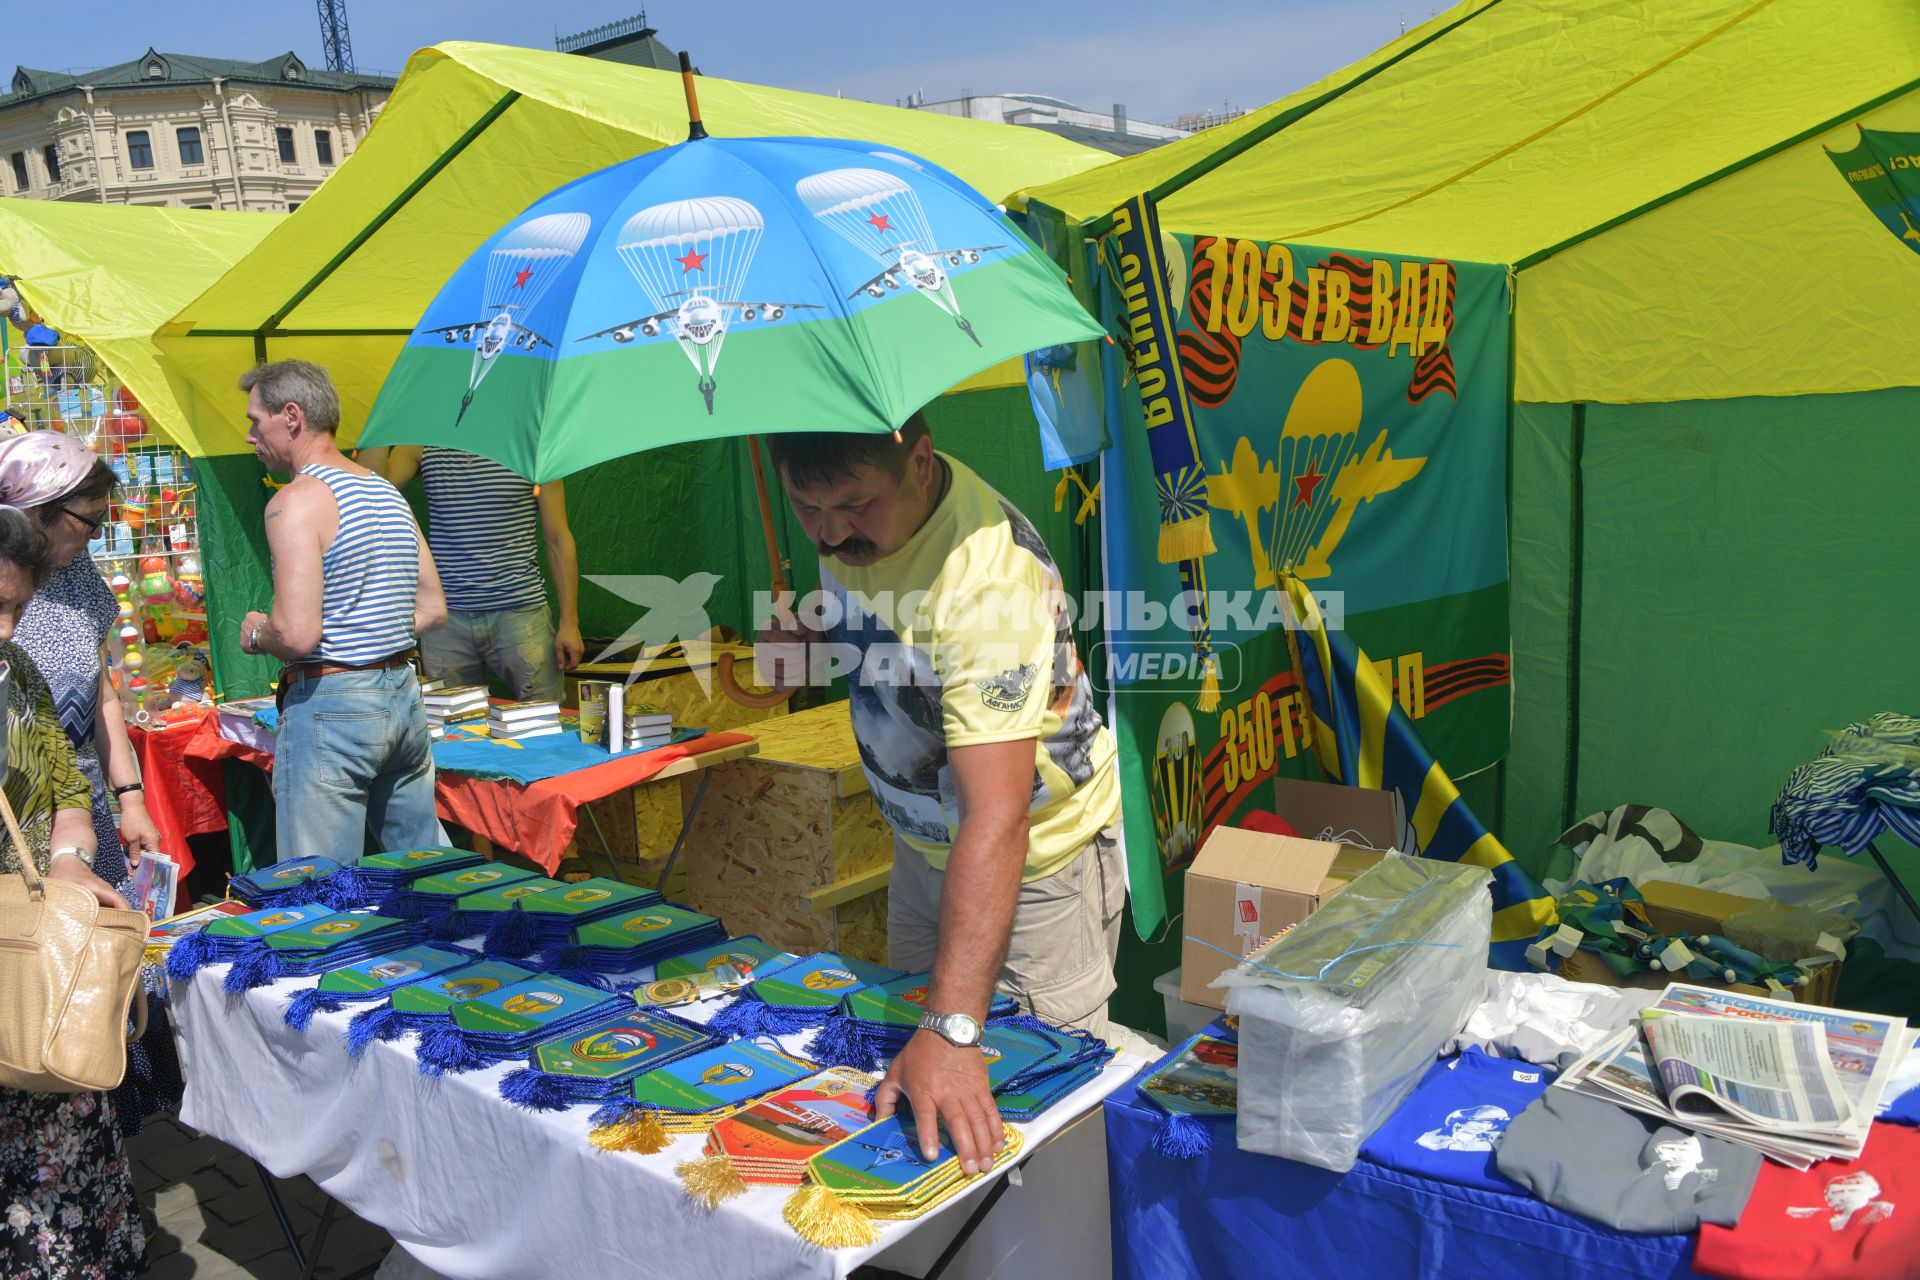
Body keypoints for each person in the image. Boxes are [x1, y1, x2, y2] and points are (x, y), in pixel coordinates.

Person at [759, 414, 1123, 1175]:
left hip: (1029, 874)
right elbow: (889, 629)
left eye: (852, 507)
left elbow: (999, 817)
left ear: (919, 463)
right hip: (926, 850)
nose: (829, 535)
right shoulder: (865, 513)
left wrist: (955, 1029)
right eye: (806, 509)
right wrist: (811, 636)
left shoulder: (987, 584)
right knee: (925, 1109)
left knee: (1040, 1124)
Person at [3, 430, 182, 1137]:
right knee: (35, 986)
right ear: (36, 508)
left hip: (82, 811)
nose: (98, 533)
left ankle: (110, 1109)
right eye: (88, 518)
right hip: (21, 825)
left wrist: (129, 794)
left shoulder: (81, 580)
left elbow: (103, 690)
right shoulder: (10, 577)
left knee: (100, 977)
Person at [0, 506, 147, 1278]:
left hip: (27, 947)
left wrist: (67, 857)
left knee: (59, 1095)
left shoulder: (16, 673)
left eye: (17, 610)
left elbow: (64, 779)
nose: (5, 627)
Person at [236, 360, 447, 862]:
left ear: (291, 416)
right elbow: (434, 608)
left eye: (254, 420)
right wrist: (368, 638)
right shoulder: (386, 491)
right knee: (427, 874)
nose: (249, 437)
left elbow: (296, 633)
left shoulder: (295, 502)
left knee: (320, 890)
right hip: (401, 696)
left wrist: (257, 633)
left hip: (333, 701)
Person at [359, 446, 582, 702]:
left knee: (546, 721)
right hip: (448, 620)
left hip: (520, 612)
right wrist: (379, 426)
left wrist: (570, 623)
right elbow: (373, 486)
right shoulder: (422, 441)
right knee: (448, 728)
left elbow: (558, 538)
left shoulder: (533, 445)